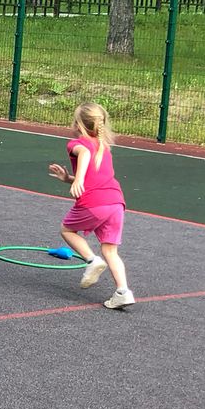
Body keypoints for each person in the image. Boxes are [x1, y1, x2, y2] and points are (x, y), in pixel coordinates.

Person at [48, 102, 134, 310]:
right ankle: (123, 292)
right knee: (110, 250)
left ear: (78, 125)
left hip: (94, 202)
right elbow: (95, 178)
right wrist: (68, 178)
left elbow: (84, 154)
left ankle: (91, 260)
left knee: (67, 230)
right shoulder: (103, 147)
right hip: (116, 202)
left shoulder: (76, 144)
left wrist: (77, 180)